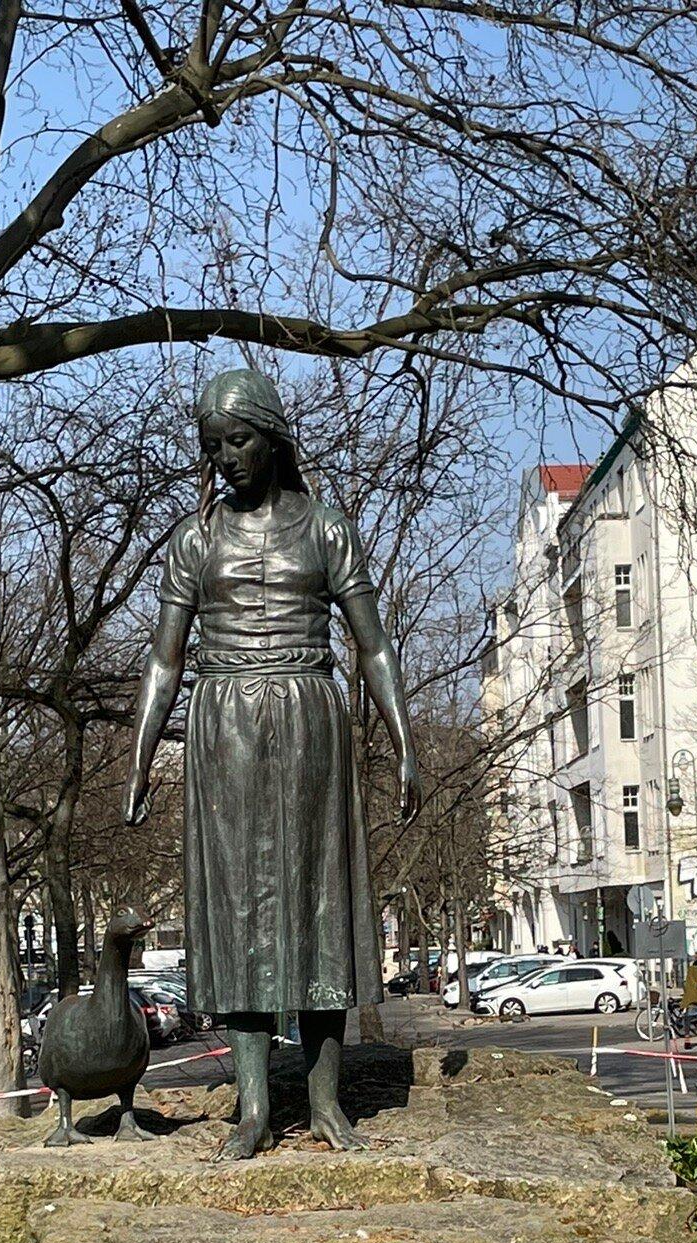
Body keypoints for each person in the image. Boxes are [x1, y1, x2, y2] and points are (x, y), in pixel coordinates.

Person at [123, 366, 422, 1158]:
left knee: (318, 899)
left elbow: (373, 646)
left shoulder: (326, 529)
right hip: (223, 725)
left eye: (239, 440)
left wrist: (405, 743)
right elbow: (164, 660)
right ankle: (254, 1106)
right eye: (213, 447)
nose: (226, 458)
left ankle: (323, 1101)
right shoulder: (195, 540)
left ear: (273, 437)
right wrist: (140, 756)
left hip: (308, 719)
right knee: (238, 911)